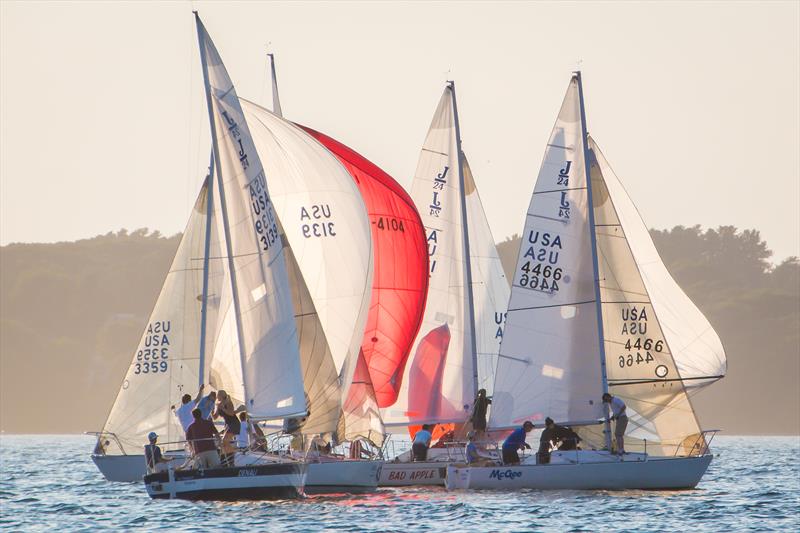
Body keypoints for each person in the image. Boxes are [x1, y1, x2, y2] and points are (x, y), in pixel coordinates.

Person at [214, 391, 245, 466]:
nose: (217, 397)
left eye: (218, 395)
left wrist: (223, 409)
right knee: (223, 443)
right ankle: (230, 456)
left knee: (224, 441)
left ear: (222, 396)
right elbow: (215, 417)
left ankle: (235, 453)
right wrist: (213, 408)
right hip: (228, 424)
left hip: (234, 423)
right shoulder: (218, 405)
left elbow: (231, 413)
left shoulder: (228, 402)